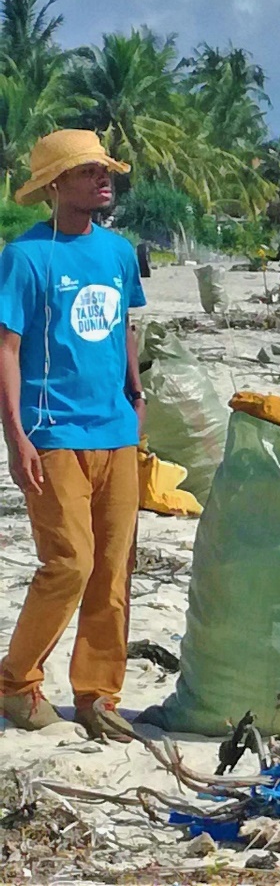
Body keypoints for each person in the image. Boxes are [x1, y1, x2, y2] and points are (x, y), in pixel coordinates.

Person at [0, 130, 148, 741]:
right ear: (55, 186)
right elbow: (6, 347)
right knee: (70, 563)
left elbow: (124, 332)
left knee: (114, 569)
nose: (101, 179)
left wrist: (136, 398)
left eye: (104, 169)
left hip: (116, 432)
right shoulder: (26, 256)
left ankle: (96, 694)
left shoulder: (117, 254)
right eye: (86, 172)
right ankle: (14, 682)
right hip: (52, 433)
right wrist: (15, 438)